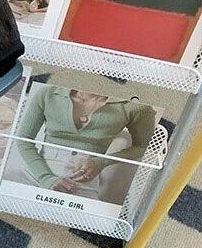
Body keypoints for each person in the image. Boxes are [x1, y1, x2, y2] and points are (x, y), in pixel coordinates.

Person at [12, 86, 157, 204]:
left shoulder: (135, 107)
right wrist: (46, 178)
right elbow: (24, 139)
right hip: (36, 172)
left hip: (82, 179)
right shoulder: (48, 92)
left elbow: (143, 147)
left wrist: (102, 162)